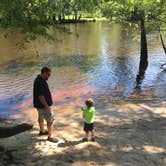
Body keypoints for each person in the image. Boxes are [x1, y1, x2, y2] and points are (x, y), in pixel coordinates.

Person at [33, 67, 58, 142]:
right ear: (44, 73)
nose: (49, 76)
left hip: (39, 105)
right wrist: (47, 106)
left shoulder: (38, 79)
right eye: (48, 74)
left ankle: (42, 131)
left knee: (41, 117)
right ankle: (50, 137)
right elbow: (40, 96)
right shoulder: (40, 82)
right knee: (50, 120)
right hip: (44, 105)